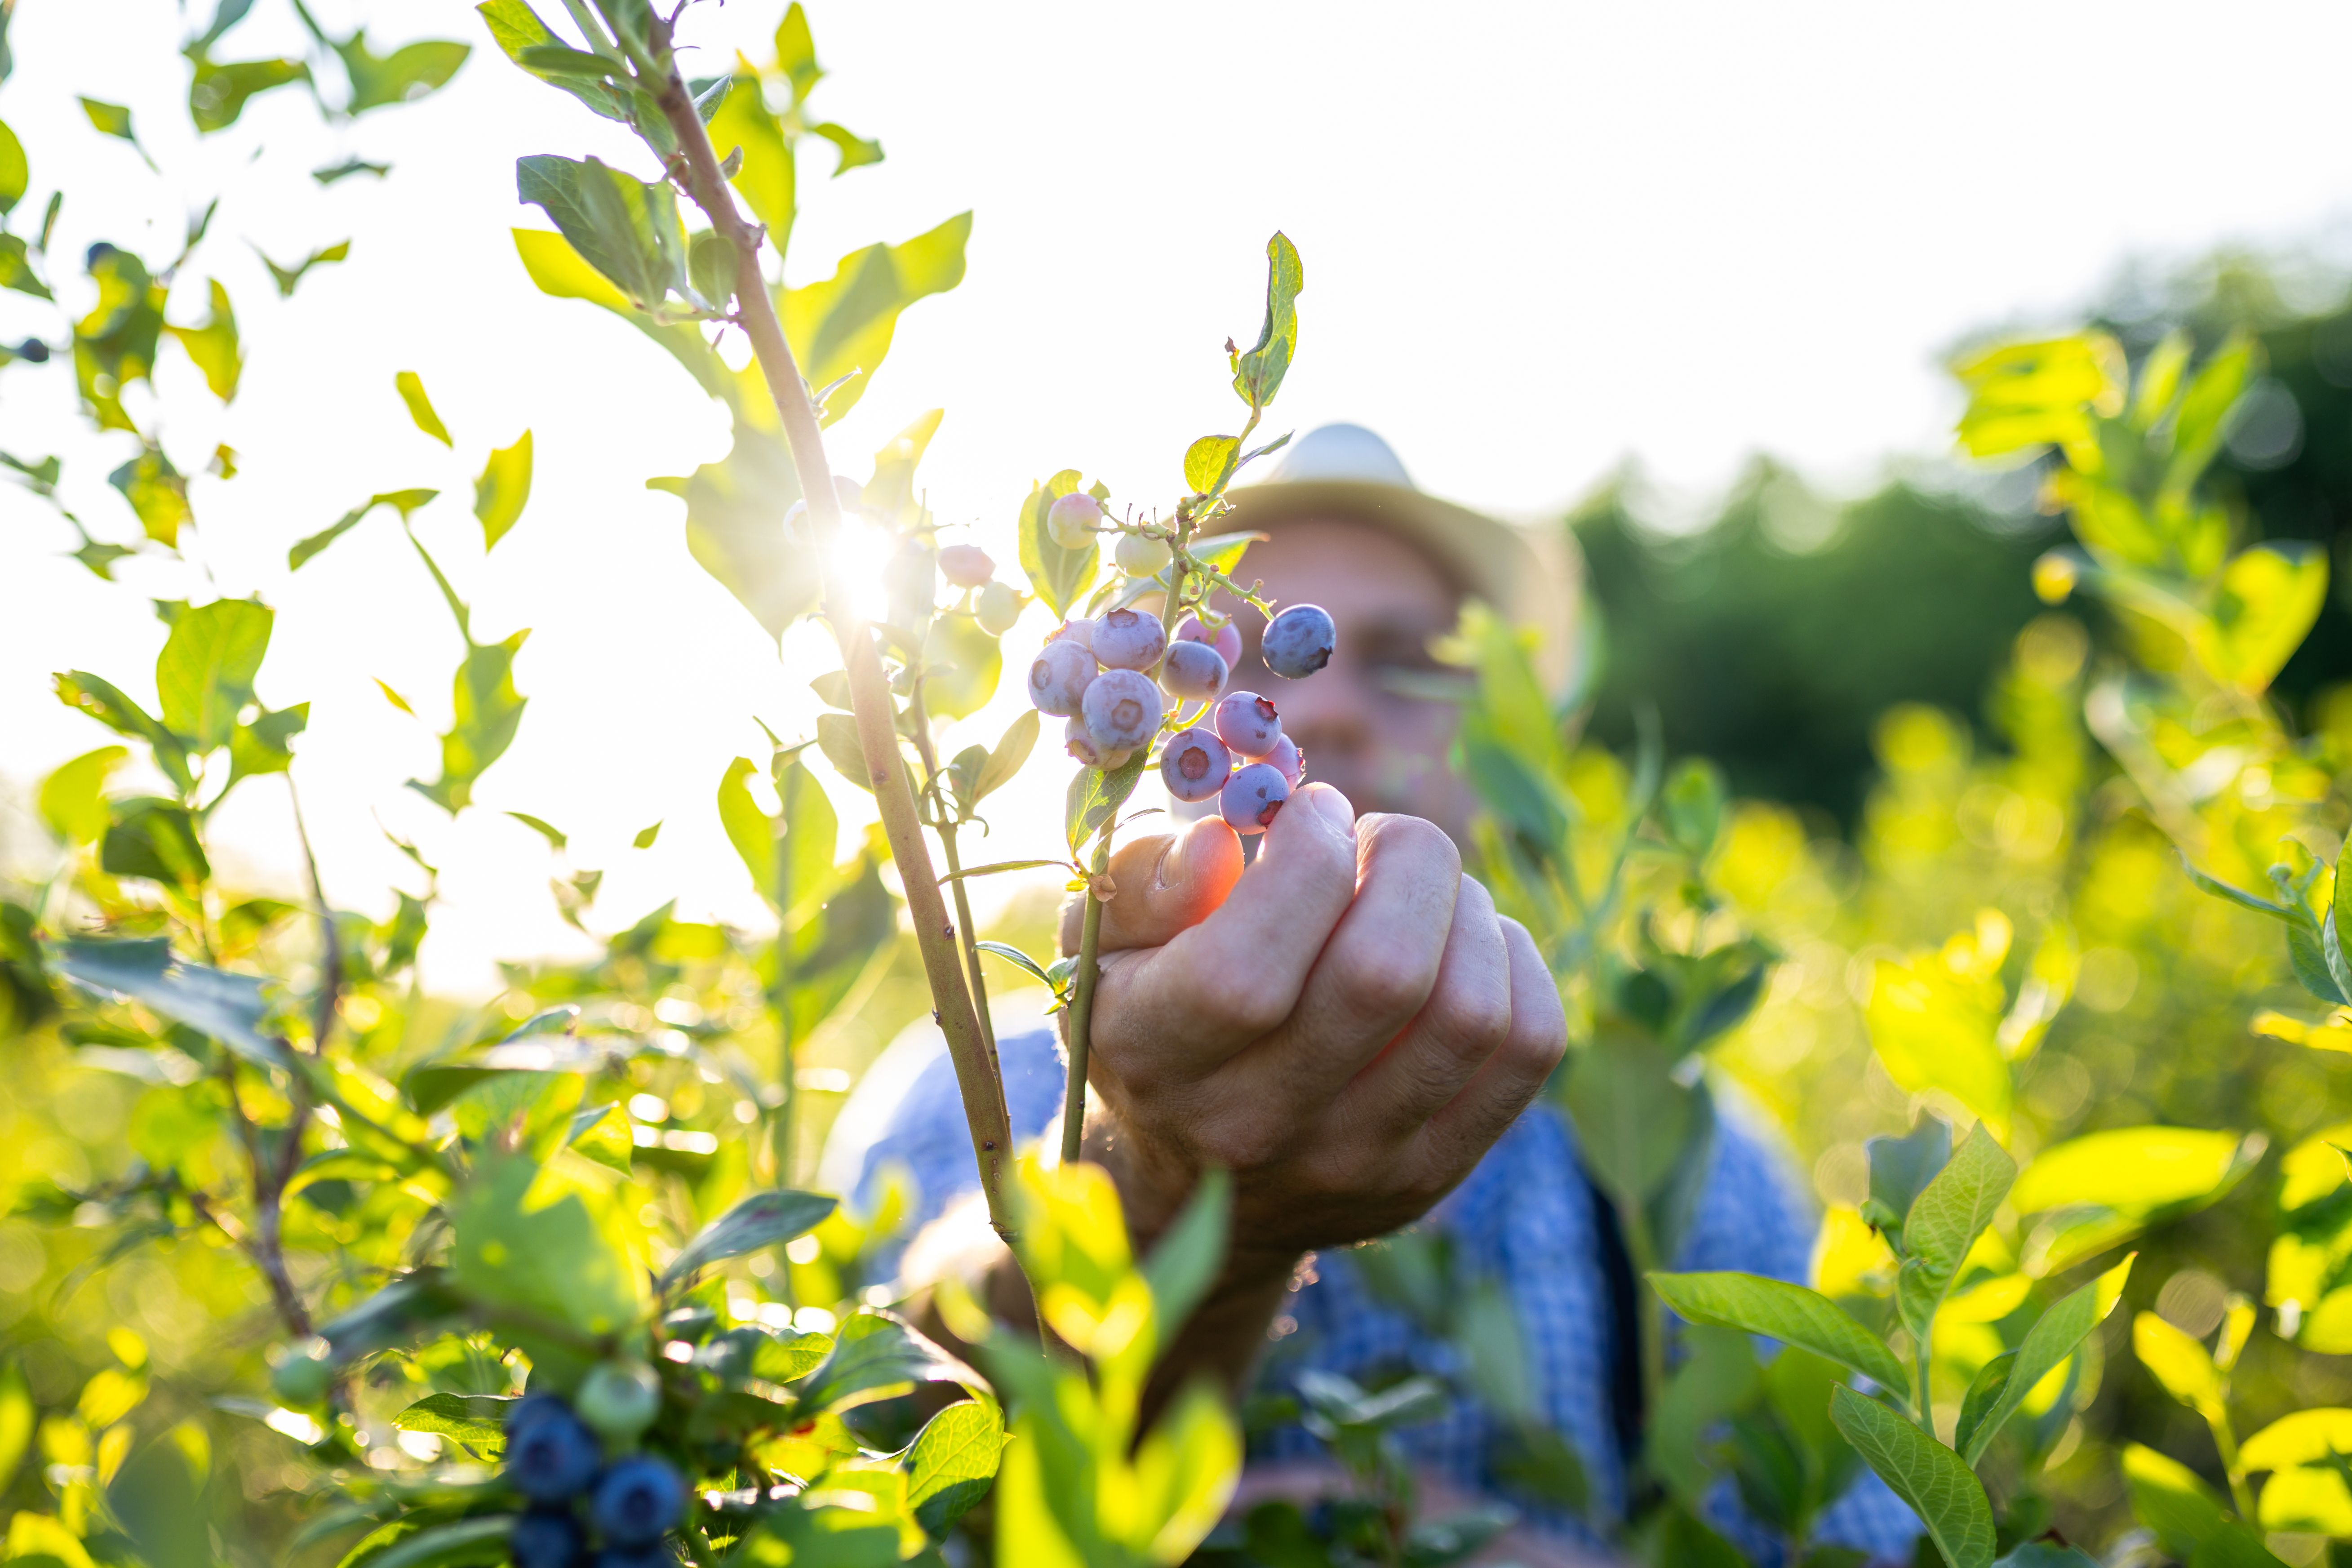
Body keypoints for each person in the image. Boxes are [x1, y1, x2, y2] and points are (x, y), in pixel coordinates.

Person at [828, 426, 1920, 1566]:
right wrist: (1150, 1180)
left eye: (1406, 661)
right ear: (1143, 723)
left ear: (1507, 737)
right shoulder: (978, 1080)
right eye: (1242, 659)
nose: (1330, 710)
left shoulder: (1680, 1162)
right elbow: (875, 1464)